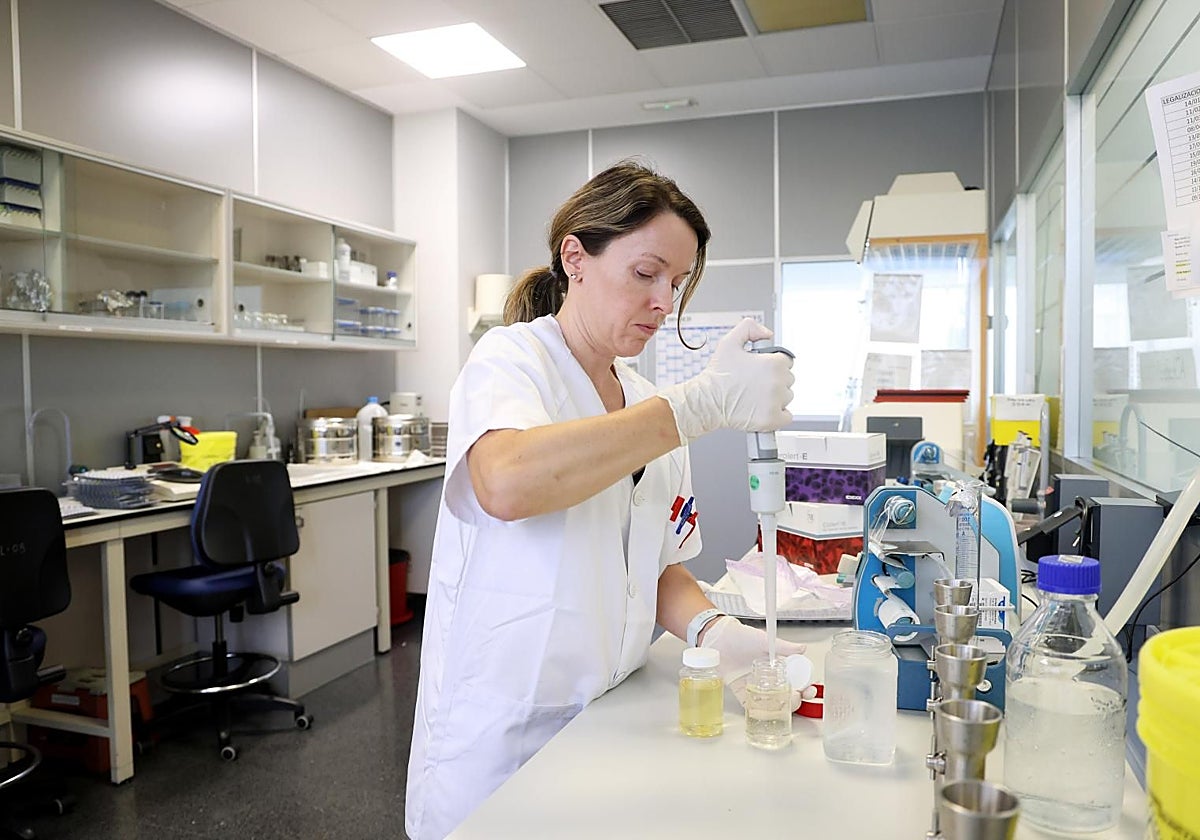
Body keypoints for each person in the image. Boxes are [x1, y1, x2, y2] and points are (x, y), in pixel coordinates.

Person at [405, 160, 802, 840]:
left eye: (676, 283)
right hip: (503, 738)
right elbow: (505, 482)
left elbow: (658, 564)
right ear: (576, 259)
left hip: (610, 716)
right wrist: (697, 405)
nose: (663, 302)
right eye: (646, 274)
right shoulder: (510, 363)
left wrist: (717, 632)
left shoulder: (649, 403)